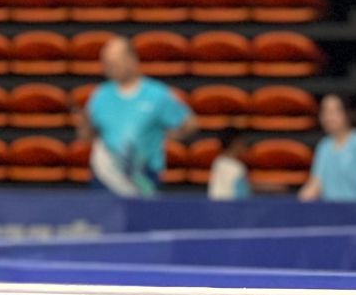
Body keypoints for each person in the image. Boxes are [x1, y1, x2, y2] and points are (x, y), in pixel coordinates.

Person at [81, 35, 193, 195]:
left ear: (132, 59)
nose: (110, 67)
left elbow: (189, 124)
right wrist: (85, 125)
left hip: (143, 176)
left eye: (115, 62)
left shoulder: (158, 94)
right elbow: (86, 135)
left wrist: (166, 137)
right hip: (106, 178)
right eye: (107, 63)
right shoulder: (99, 96)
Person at [301, 94, 356, 207]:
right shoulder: (324, 146)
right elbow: (315, 185)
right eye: (325, 111)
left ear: (348, 113)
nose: (329, 117)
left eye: (335, 111)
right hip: (333, 215)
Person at [208, 132, 254, 200]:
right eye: (243, 143)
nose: (245, 147)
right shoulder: (238, 168)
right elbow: (242, 197)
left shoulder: (217, 161)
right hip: (232, 205)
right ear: (236, 143)